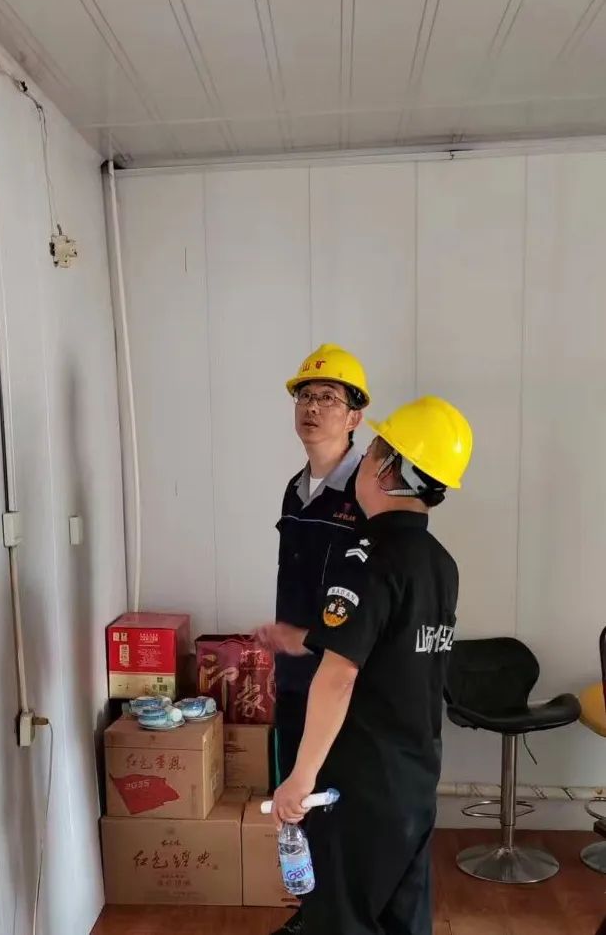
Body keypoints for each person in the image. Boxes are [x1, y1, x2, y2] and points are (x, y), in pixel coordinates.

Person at [271, 395, 473, 935]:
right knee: (402, 918)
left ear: (388, 469)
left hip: (358, 784)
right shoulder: (440, 564)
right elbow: (393, 648)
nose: (363, 462)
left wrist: (300, 778)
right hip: (415, 779)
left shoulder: (366, 557)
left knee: (344, 917)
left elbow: (340, 676)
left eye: (373, 451)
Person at [256, 343, 371, 782]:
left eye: (328, 397)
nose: (313, 408)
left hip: (342, 682)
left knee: (336, 801)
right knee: (294, 801)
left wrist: (311, 639)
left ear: (354, 417)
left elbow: (372, 592)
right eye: (305, 396)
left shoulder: (368, 489)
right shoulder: (295, 489)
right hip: (293, 676)